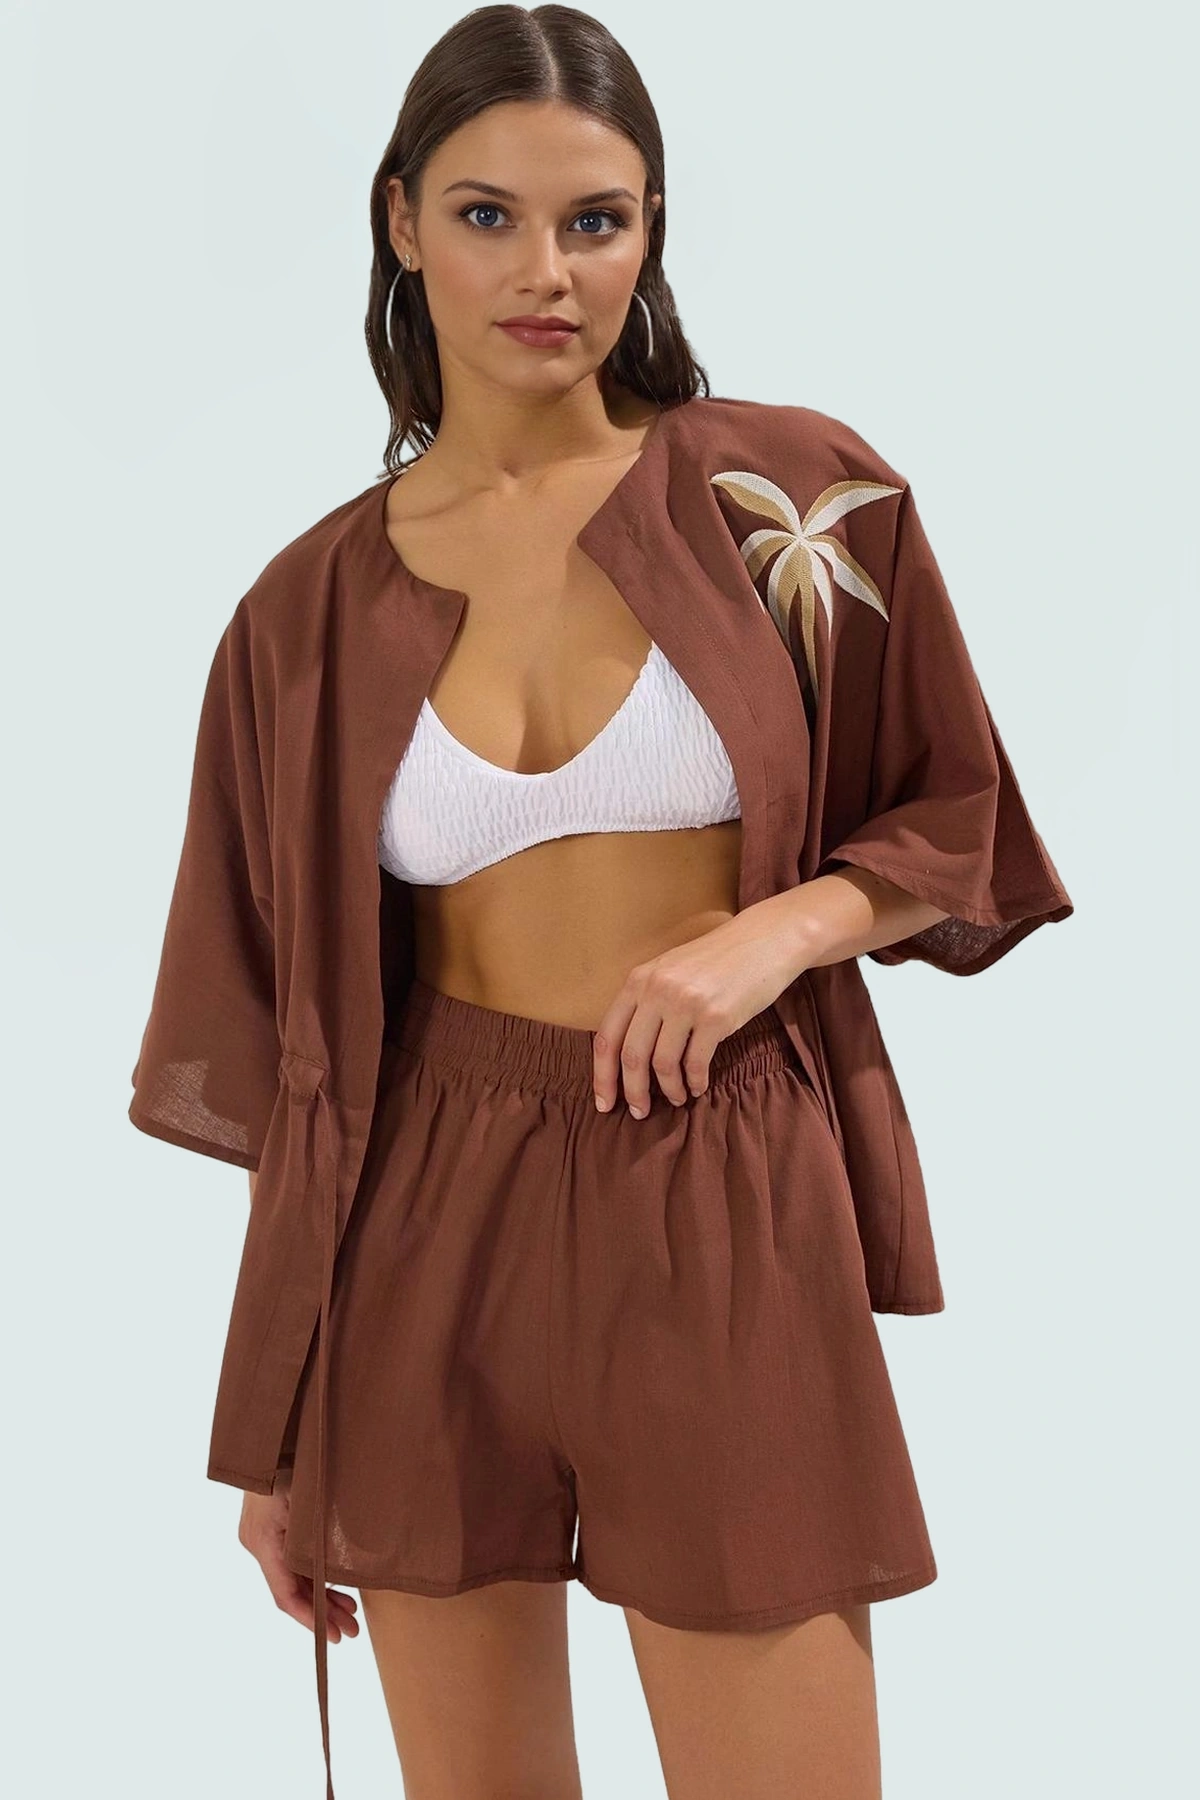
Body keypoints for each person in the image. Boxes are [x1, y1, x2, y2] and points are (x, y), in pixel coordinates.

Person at [128, 7, 1074, 1797]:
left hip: (720, 1177)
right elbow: (294, 1052)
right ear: (402, 222)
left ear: (651, 231)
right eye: (487, 216)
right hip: (423, 1219)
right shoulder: (302, 614)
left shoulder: (793, 499)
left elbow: (954, 810)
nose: (545, 273)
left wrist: (774, 935)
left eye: (597, 221)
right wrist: (277, 1423)